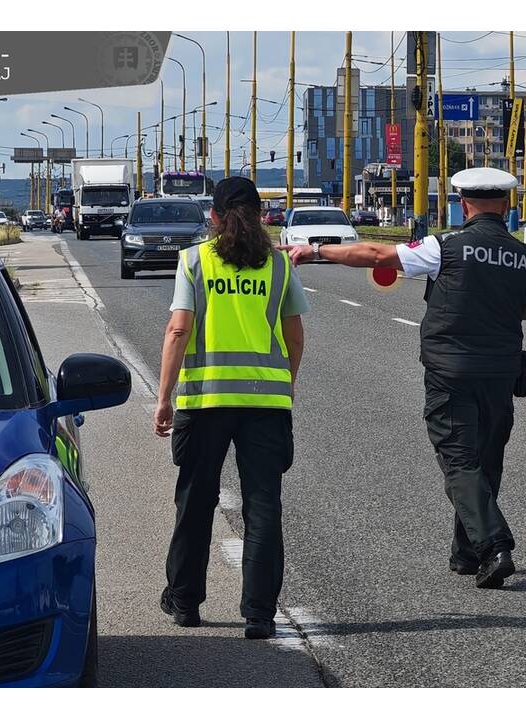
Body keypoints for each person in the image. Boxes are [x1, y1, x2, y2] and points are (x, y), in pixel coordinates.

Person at [285, 167, 526, 589]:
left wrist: (317, 251)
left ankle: (494, 545)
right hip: (501, 371)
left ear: (463, 204)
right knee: (486, 459)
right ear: (508, 204)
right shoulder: (525, 256)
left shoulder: (446, 246)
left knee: (459, 459)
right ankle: (468, 552)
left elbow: (375, 255)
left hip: (451, 369)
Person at [154, 176, 309, 639]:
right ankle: (259, 615)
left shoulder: (194, 261)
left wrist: (164, 399)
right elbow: (295, 336)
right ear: (262, 216)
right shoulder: (279, 267)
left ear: (215, 216)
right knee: (263, 507)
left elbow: (178, 331)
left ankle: (185, 602)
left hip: (205, 402)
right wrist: (287, 385)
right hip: (265, 403)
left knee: (196, 501)